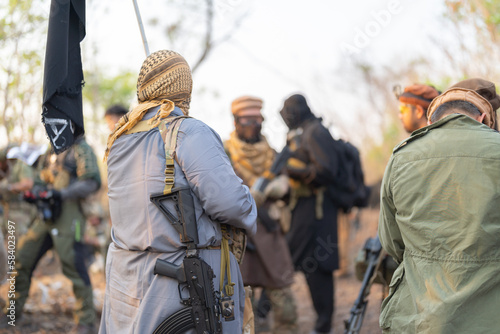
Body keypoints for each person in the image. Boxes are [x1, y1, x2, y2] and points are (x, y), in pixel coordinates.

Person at [99, 50, 257, 333]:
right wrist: (250, 202)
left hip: (126, 281)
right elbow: (232, 204)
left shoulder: (118, 139)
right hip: (180, 282)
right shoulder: (188, 131)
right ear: (185, 89)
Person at [378, 86, 500, 333]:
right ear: (482, 119)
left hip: (422, 315)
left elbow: (392, 242)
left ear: (431, 121)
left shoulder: (401, 156)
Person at [1, 137, 101, 334]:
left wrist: (60, 194)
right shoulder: (51, 150)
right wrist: (38, 193)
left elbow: (91, 182)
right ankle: (12, 312)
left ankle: (85, 321)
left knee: (74, 265)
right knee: (22, 257)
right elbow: (39, 179)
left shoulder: (80, 148)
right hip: (46, 216)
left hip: (71, 215)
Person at [224, 96, 297, 333]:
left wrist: (281, 190)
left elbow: (287, 187)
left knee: (282, 292)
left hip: (268, 228)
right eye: (248, 120)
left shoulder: (272, 154)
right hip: (238, 232)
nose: (254, 125)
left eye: (258, 120)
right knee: (242, 297)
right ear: (236, 122)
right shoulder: (224, 153)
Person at [279, 94, 339, 334]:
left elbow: (327, 170)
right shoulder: (302, 132)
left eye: (288, 111)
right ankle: (321, 325)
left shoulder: (315, 132)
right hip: (305, 211)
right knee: (310, 266)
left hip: (318, 212)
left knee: (313, 266)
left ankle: (323, 326)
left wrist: (298, 170)